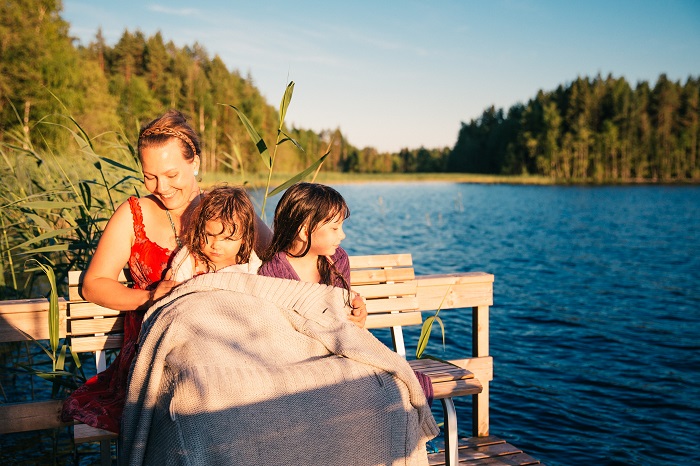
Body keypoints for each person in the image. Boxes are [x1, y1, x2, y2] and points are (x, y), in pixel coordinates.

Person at [61, 110, 272, 433]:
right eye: (150, 176)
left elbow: (277, 262)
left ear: (195, 162)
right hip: (158, 352)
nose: (162, 187)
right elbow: (93, 285)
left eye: (172, 174)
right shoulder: (133, 214)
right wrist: (148, 297)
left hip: (225, 343)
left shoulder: (228, 211)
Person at [258, 182, 367, 327]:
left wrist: (355, 308)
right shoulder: (273, 273)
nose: (342, 235)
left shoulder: (338, 259)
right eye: (334, 228)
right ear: (305, 232)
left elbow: (343, 310)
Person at [167, 185, 262, 281]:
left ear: (244, 237)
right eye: (209, 235)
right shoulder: (190, 261)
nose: (216, 245)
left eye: (228, 238)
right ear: (199, 229)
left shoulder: (249, 267)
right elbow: (177, 287)